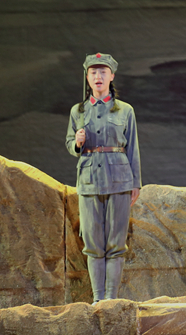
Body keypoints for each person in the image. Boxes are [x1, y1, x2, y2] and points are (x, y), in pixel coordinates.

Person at [65, 53, 141, 303]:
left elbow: (133, 148)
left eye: (103, 72)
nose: (98, 76)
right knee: (93, 243)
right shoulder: (78, 111)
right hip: (89, 181)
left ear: (111, 76)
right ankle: (98, 300)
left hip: (119, 180)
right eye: (93, 72)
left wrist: (135, 183)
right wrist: (77, 143)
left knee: (116, 244)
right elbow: (69, 144)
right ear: (87, 77)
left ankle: (111, 299)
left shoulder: (125, 110)